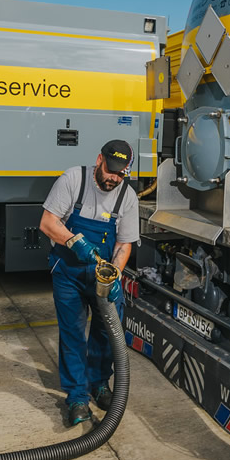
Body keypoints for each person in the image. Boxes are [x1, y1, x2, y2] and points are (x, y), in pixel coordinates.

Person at [39, 139, 139, 427]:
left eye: (121, 174)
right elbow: (48, 222)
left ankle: (99, 384)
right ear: (99, 160)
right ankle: (77, 397)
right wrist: (73, 242)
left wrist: (116, 274)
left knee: (106, 333)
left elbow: (123, 244)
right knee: (72, 334)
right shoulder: (74, 179)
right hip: (69, 272)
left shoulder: (127, 197)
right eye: (111, 171)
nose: (113, 179)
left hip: (101, 275)